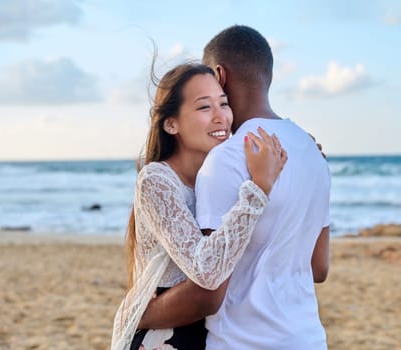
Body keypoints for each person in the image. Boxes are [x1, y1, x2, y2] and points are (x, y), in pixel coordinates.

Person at [139, 25, 331, 349]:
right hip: (308, 338)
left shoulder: (227, 159)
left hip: (242, 342)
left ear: (218, 75)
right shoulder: (313, 153)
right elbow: (319, 267)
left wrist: (141, 313)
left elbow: (208, 293)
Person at [111, 63, 287, 350]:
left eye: (224, 103)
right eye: (205, 108)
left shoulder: (223, 177)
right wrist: (259, 188)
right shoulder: (156, 180)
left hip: (212, 332)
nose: (222, 118)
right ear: (171, 124)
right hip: (165, 336)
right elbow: (206, 270)